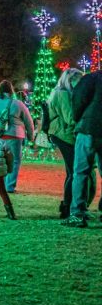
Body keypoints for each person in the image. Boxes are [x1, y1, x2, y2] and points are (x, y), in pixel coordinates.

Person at [63, 67, 102, 227]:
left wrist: (78, 117)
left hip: (88, 128)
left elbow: (78, 100)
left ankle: (77, 213)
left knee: (80, 172)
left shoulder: (91, 78)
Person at [0, 80, 34, 193]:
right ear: (11, 90)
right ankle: (10, 186)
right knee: (14, 161)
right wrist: (30, 136)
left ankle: (2, 185)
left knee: (0, 161)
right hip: (14, 135)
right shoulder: (17, 103)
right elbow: (28, 121)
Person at [47, 68, 84, 219]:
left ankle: (69, 205)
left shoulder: (59, 92)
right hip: (63, 134)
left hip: (62, 133)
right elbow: (70, 117)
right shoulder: (62, 93)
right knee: (73, 171)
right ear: (70, 80)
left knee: (73, 171)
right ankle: (68, 206)